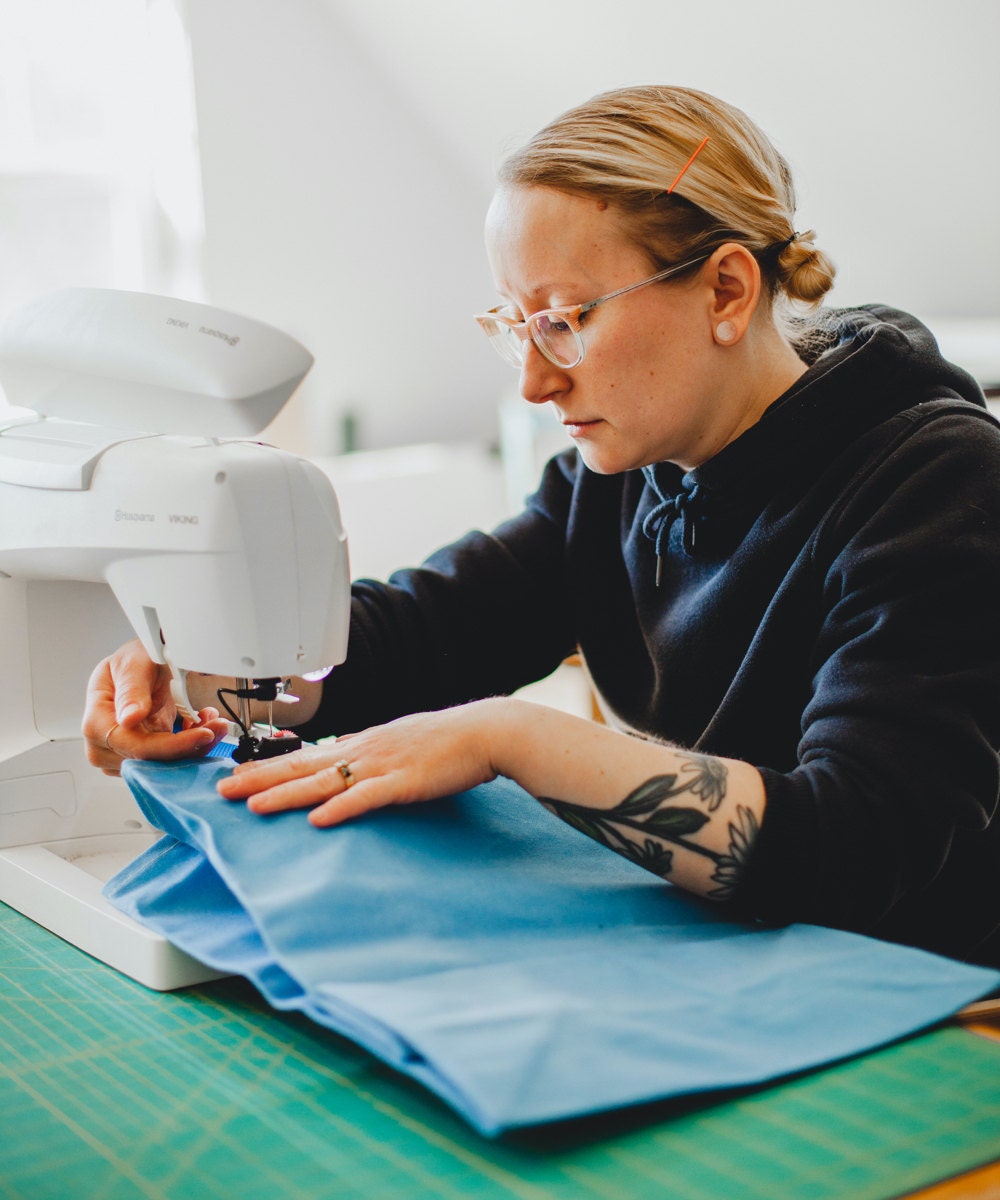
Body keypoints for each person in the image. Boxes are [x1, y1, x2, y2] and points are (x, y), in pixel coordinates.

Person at [83, 85, 1000, 967]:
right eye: (513, 325)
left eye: (563, 321)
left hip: (938, 1009)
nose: (534, 382)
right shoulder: (619, 476)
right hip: (759, 955)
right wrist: (219, 665)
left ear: (726, 291)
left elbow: (854, 841)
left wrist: (512, 738)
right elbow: (421, 635)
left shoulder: (939, 482)